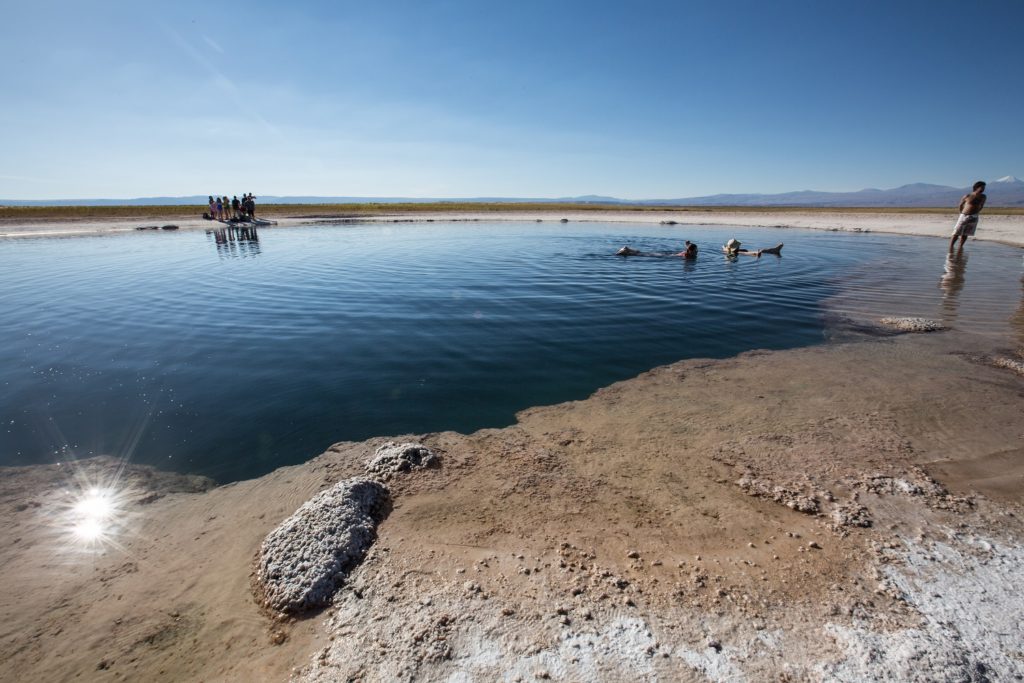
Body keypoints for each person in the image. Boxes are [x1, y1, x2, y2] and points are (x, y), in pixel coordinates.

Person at [949, 181, 986, 251]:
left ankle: (960, 247)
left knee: (966, 233)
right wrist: (961, 213)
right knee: (956, 232)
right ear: (976, 187)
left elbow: (981, 206)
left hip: (974, 217)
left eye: (984, 187)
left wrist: (976, 212)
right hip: (964, 216)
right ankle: (951, 247)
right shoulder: (967, 196)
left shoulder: (983, 197)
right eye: (982, 187)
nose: (983, 189)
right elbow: (960, 205)